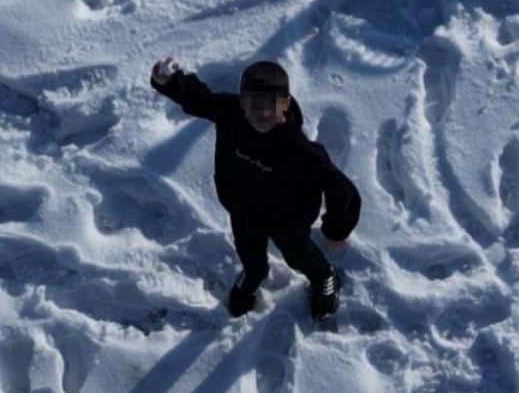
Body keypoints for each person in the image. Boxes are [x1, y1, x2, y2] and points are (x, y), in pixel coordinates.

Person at [150, 57, 361, 321]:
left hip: (288, 218)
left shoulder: (302, 151)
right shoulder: (232, 115)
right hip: (244, 209)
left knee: (299, 256)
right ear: (242, 102)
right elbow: (201, 100)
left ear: (284, 104)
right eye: (252, 103)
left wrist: (336, 229)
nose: (261, 113)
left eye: (270, 104)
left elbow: (342, 190)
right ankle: (254, 274)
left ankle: (325, 278)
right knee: (250, 253)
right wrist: (171, 81)